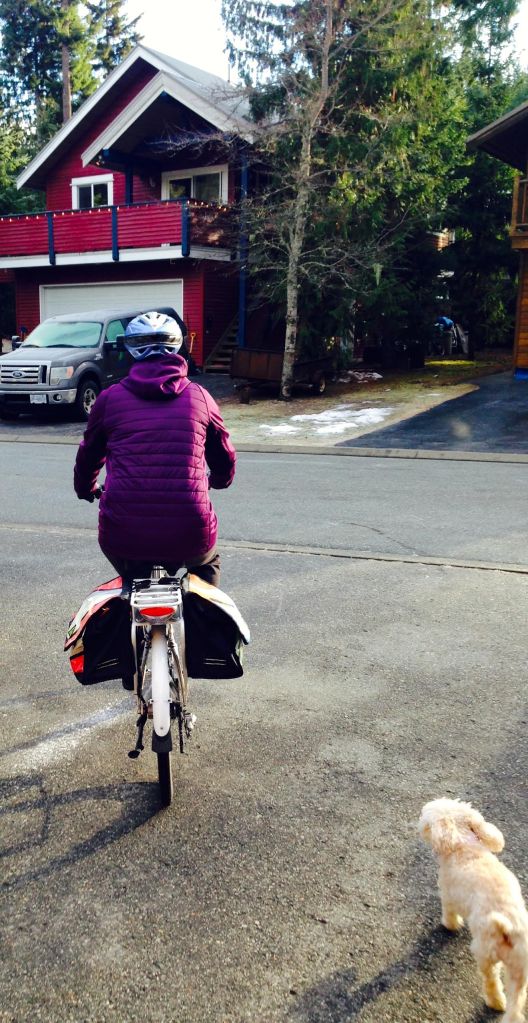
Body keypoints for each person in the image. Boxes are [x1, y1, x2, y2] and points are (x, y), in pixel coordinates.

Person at [73, 311, 236, 587]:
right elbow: (224, 457)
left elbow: (89, 455)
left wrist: (85, 488)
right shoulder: (200, 397)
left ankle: (129, 614)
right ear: (177, 346)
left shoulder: (109, 399)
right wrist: (219, 480)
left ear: (131, 348)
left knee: (131, 583)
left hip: (124, 533)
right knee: (206, 570)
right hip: (190, 531)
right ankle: (204, 619)